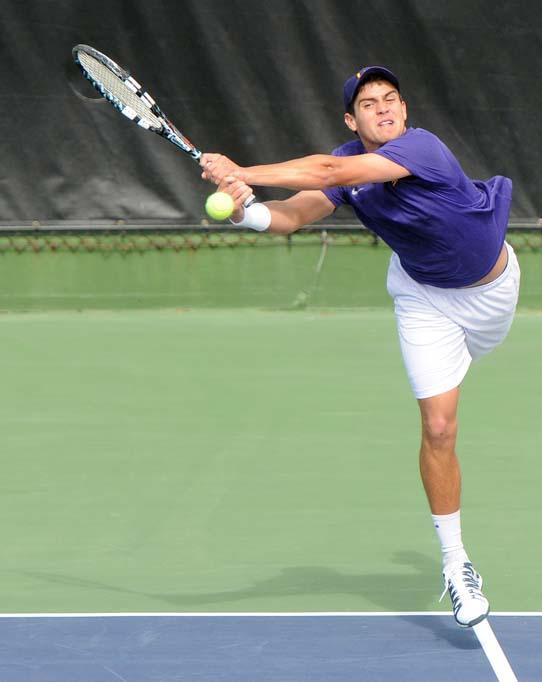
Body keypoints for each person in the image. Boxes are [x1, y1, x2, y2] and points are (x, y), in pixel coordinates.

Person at [200, 66, 520, 628]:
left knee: (455, 405)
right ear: (353, 120)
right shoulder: (349, 168)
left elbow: (329, 167)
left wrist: (240, 168)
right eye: (369, 104)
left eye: (391, 98)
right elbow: (295, 213)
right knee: (440, 428)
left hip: (493, 293)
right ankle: (456, 563)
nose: (384, 108)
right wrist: (246, 207)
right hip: (425, 299)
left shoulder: (421, 148)